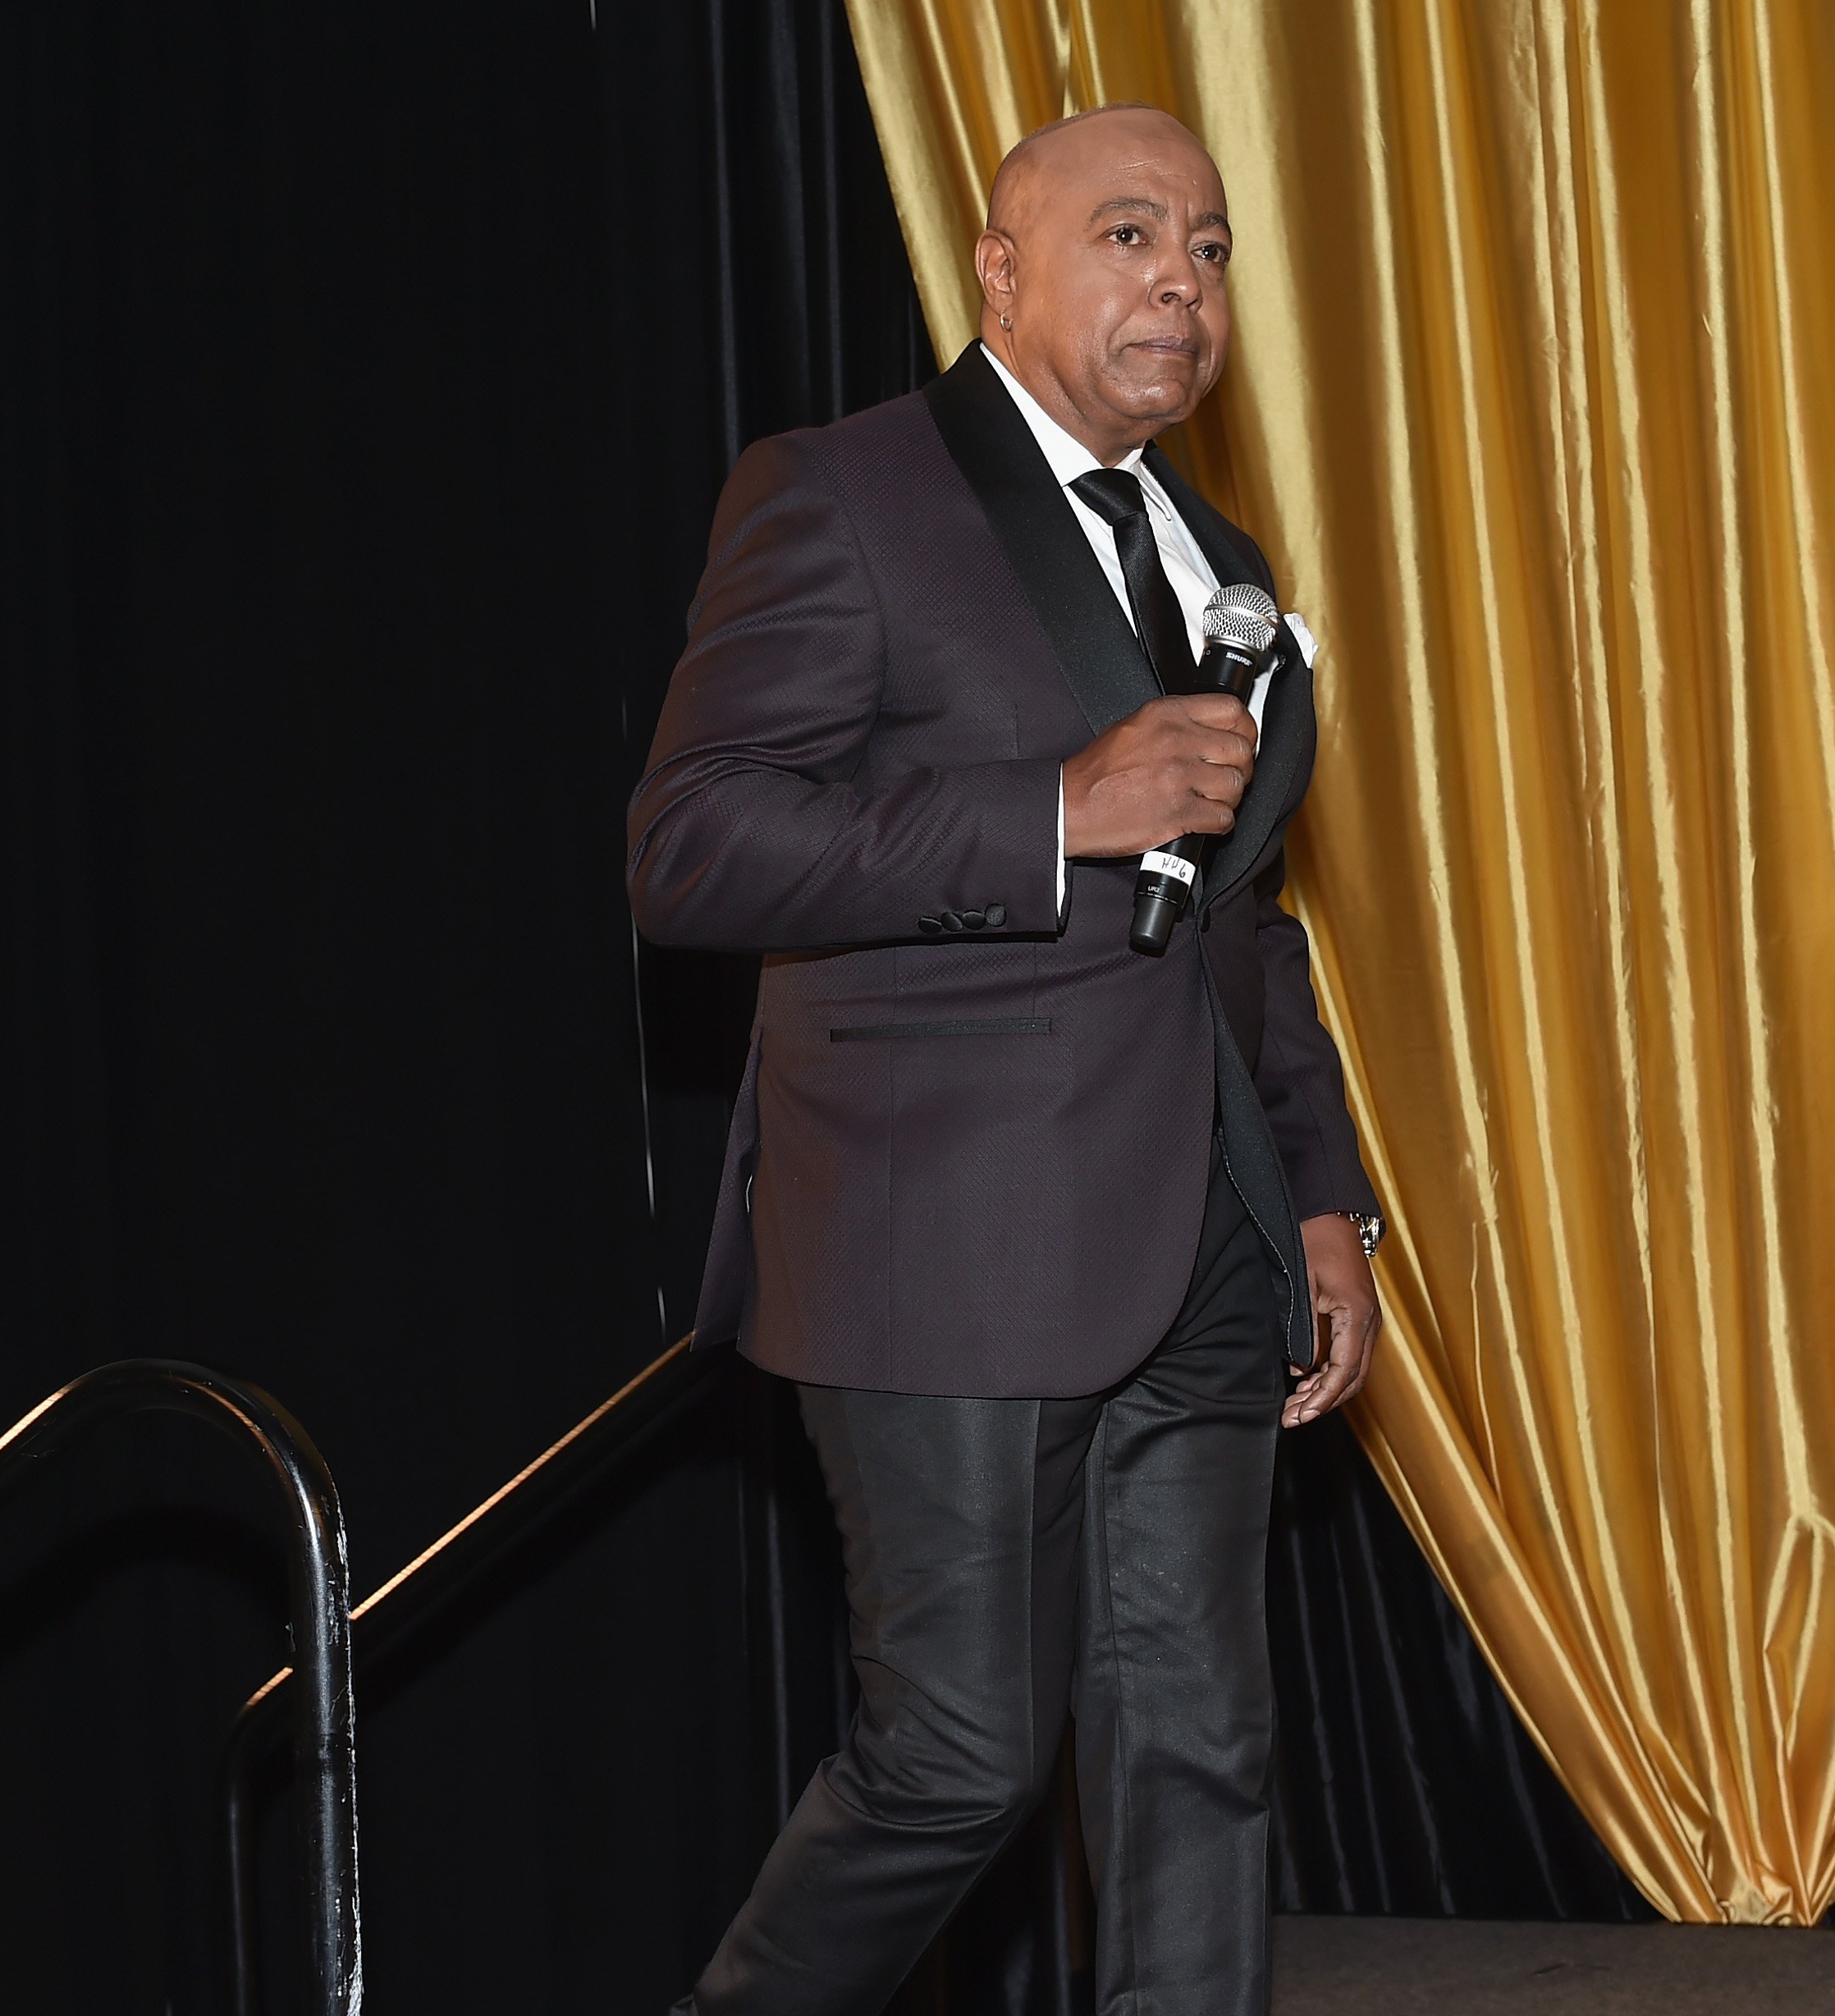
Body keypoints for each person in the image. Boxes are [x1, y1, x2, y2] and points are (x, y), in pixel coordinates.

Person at [629, 101, 1384, 2016]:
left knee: (1202, 1757)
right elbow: (693, 844)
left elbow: (1242, 916)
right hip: (939, 1243)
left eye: (1209, 249)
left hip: (1201, 1238)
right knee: (960, 1759)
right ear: (998, 269)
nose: (1182, 283)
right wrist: (1050, 809)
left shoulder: (1219, 564)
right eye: (1131, 234)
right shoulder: (842, 494)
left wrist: (1316, 1189)